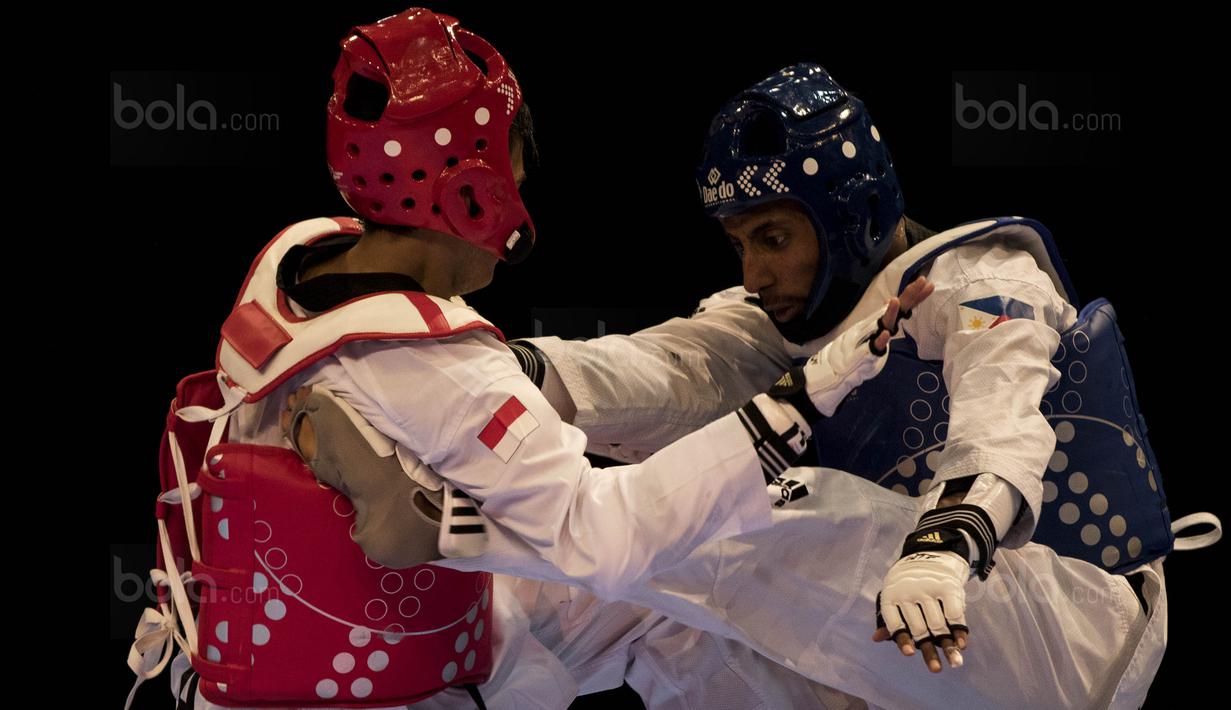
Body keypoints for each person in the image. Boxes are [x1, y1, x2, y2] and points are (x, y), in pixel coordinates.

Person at [291, 64, 1195, 708]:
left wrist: (947, 539)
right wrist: (475, 375)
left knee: (750, 506)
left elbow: (1003, 417)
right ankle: (449, 685)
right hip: (913, 643)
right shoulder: (784, 318)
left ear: (852, 216)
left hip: (1059, 632)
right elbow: (665, 367)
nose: (755, 271)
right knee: (637, 619)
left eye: (771, 237)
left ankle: (464, 530)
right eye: (737, 245)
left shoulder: (980, 278)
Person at [131, 10, 928, 709]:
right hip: (403, 688)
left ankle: (436, 517)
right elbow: (606, 542)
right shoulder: (444, 365)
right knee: (696, 569)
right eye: (513, 157)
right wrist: (800, 399)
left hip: (243, 665)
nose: (521, 181)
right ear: (472, 186)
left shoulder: (289, 265)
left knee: (651, 605)